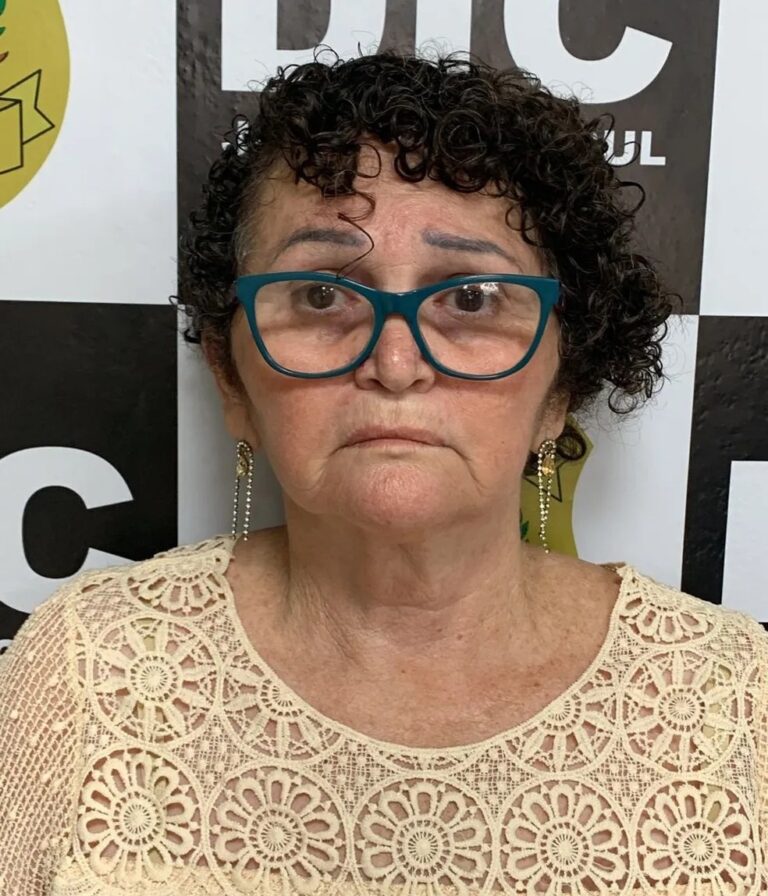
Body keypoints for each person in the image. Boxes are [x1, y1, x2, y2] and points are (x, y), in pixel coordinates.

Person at [1, 49, 766, 895]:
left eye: (470, 298)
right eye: (322, 295)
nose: (396, 365)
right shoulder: (84, 674)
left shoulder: (737, 702)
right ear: (231, 379)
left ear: (561, 389)